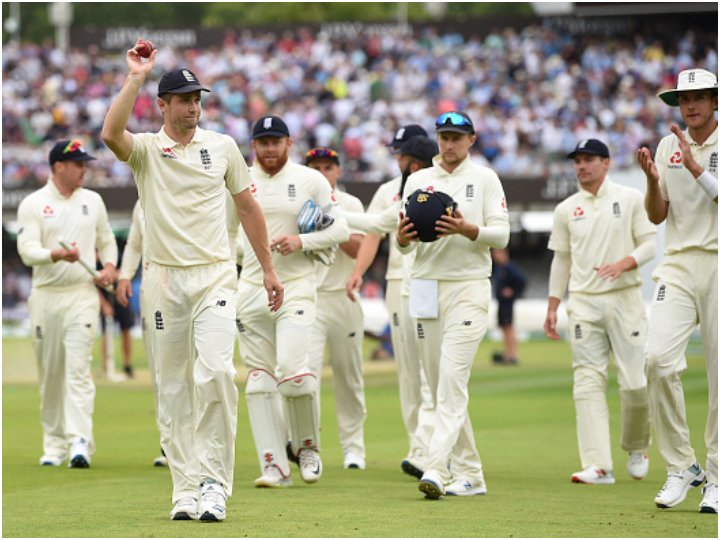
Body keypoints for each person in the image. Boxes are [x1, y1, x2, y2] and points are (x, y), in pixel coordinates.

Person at [102, 41, 283, 522]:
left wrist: (266, 268)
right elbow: (109, 133)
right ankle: (184, 486)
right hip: (163, 280)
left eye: (197, 98)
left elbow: (248, 207)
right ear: (162, 105)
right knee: (174, 388)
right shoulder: (145, 149)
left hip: (215, 276)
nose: (193, 106)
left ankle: (213, 484)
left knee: (218, 372)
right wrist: (135, 76)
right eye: (183, 99)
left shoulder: (223, 147)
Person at [396, 111, 510, 499]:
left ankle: (435, 465)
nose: (449, 144)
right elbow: (403, 242)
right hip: (426, 287)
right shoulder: (417, 179)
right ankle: (471, 474)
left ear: (471, 140)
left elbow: (503, 235)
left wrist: (467, 229)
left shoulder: (485, 178)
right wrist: (401, 238)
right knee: (438, 381)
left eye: (457, 137)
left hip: (468, 286)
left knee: (451, 379)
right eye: (444, 137)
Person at [237, 116, 349, 489]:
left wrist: (302, 242)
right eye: (263, 142)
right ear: (254, 145)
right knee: (257, 381)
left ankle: (307, 449)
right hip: (250, 288)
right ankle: (273, 466)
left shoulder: (310, 179)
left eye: (276, 141)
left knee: (292, 371)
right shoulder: (237, 179)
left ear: (289, 142)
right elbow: (225, 232)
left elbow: (340, 229)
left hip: (297, 285)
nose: (269, 149)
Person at [544, 138, 656, 485]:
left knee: (635, 382)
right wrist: (553, 305)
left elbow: (650, 243)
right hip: (583, 303)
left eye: (589, 159)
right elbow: (561, 257)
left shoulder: (630, 198)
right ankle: (598, 465)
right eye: (577, 160)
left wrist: (625, 263)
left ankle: (637, 446)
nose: (582, 166)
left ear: (606, 163)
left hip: (625, 298)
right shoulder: (566, 209)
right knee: (587, 382)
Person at [637, 68, 718, 513]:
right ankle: (683, 465)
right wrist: (652, 181)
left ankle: (719, 477)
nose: (690, 106)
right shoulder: (668, 144)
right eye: (684, 99)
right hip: (679, 262)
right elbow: (655, 216)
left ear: (714, 101)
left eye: (699, 98)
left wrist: (694, 166)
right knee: (656, 360)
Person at [16, 138, 118, 468]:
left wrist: (110, 268)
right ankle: (54, 444)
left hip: (82, 295)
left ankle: (79, 442)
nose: (84, 170)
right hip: (46, 296)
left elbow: (107, 240)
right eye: (78, 165)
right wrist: (55, 254)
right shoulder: (33, 203)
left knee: (78, 368)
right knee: (51, 372)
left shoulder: (93, 200)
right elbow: (27, 251)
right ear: (58, 166)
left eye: (85, 164)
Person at [345, 133, 438, 478]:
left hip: (430, 284)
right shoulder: (391, 191)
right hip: (400, 285)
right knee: (410, 373)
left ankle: (431, 449)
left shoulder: (435, 187)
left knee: (432, 373)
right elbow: (375, 229)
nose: (395, 159)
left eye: (399, 154)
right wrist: (358, 271)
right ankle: (420, 447)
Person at [305, 147, 367, 470]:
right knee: (307, 378)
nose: (322, 173)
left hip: (344, 297)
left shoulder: (351, 204)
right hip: (311, 298)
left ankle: (354, 448)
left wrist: (332, 224)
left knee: (349, 376)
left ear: (338, 171)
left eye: (328, 167)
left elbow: (359, 249)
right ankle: (309, 448)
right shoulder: (299, 198)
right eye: (315, 167)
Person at [490, 248, 526, 365]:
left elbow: (522, 280)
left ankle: (513, 355)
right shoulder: (500, 268)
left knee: (509, 327)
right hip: (501, 302)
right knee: (504, 328)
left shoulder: (509, 267)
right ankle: (507, 354)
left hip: (507, 303)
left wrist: (513, 291)